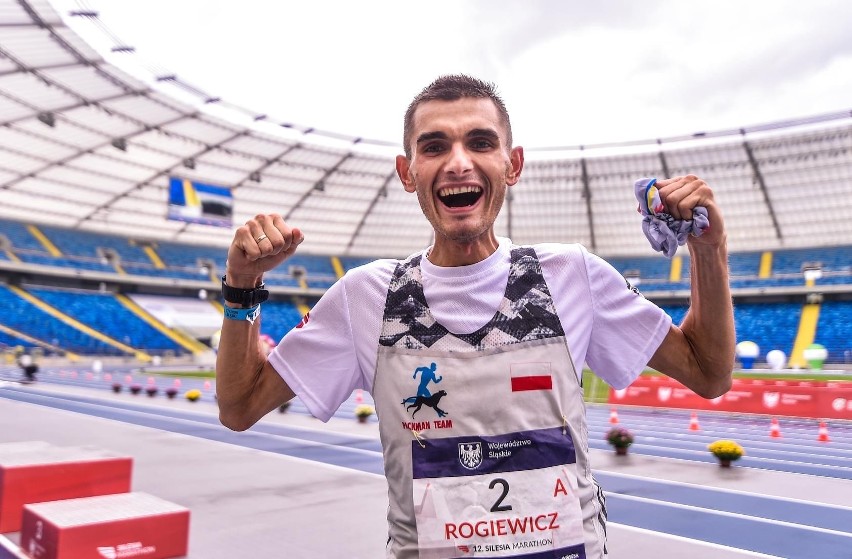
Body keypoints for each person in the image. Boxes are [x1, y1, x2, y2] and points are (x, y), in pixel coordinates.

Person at [216, 74, 735, 558]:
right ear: (407, 172)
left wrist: (710, 251)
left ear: (513, 164)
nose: (458, 162)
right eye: (434, 146)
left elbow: (708, 373)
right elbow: (240, 408)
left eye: (481, 143)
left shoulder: (573, 275)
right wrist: (242, 288)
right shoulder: (366, 296)